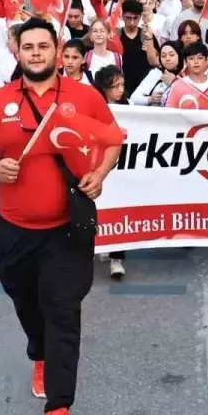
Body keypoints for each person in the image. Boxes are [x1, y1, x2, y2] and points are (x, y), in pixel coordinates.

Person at [0, 18, 121, 415]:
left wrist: (100, 173)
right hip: (15, 230)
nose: (35, 53)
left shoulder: (84, 97)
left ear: (58, 49)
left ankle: (59, 409)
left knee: (63, 310)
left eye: (43, 46)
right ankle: (39, 353)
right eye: (27, 46)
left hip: (68, 229)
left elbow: (113, 140)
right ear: (16, 51)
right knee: (26, 301)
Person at [92, 64, 129, 280]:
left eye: (122, 85)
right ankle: (102, 242)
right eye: (115, 86)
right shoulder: (94, 106)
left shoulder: (127, 106)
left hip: (122, 167)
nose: (120, 90)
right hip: (98, 165)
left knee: (120, 208)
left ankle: (118, 258)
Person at [117, 0, 160, 93]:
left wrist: (149, 44)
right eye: (128, 18)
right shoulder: (116, 35)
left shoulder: (146, 34)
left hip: (144, 86)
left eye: (135, 18)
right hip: (122, 85)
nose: (132, 22)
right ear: (122, 16)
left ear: (140, 17)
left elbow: (156, 60)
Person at [130, 41, 181, 106]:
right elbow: (133, 99)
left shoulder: (186, 73)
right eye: (163, 56)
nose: (167, 59)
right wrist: (150, 99)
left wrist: (174, 82)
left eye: (171, 55)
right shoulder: (156, 73)